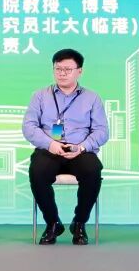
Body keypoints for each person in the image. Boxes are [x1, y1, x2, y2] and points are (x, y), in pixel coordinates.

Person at [22, 49, 109, 245]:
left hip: (79, 150)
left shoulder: (92, 98)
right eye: (58, 69)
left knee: (92, 170)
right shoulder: (40, 96)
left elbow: (102, 131)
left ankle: (79, 223)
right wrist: (50, 144)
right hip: (49, 149)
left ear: (79, 71)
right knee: (37, 171)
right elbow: (28, 126)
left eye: (67, 69)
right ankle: (53, 223)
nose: (62, 73)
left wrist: (82, 147)